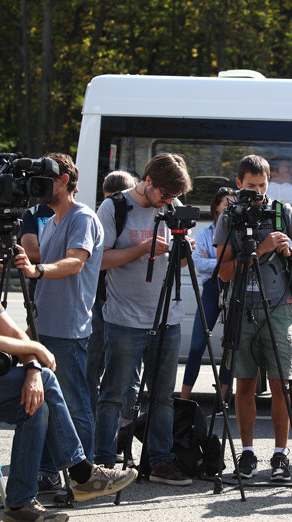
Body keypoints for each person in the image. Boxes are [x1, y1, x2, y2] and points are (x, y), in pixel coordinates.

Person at [0, 225, 136, 522]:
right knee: (48, 381)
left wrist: (31, 368)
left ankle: (19, 505)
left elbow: (14, 333)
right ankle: (82, 474)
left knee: (37, 405)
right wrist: (35, 350)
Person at [94, 153, 194, 486]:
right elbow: (100, 260)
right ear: (148, 181)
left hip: (167, 316)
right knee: (114, 393)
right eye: (164, 194)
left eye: (173, 196)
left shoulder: (171, 207)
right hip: (124, 317)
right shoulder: (114, 208)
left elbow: (173, 265)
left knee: (163, 395)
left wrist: (182, 250)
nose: (169, 201)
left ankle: (161, 461)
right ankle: (104, 462)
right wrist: (142, 249)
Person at [214, 154, 292, 481]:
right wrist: (261, 250)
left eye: (263, 185)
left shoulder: (283, 212)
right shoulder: (229, 217)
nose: (257, 191)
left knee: (281, 384)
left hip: (279, 307)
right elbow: (225, 272)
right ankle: (246, 453)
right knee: (244, 384)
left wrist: (289, 251)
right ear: (238, 183)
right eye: (251, 185)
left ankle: (280, 455)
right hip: (243, 306)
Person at [13, 154, 104, 494]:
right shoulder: (50, 221)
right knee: (49, 405)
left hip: (68, 328)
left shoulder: (83, 217)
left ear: (65, 179)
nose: (37, 185)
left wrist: (37, 270)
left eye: (44, 178)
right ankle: (51, 471)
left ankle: (87, 476)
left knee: (76, 404)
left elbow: (74, 263)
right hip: (44, 327)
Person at [85, 170, 138, 416]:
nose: (113, 207)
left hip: (126, 303)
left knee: (127, 372)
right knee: (92, 365)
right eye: (109, 201)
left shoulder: (137, 215)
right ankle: (91, 424)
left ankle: (123, 434)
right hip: (99, 299)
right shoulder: (101, 216)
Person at [181, 188, 234, 399]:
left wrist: (221, 264)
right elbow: (199, 263)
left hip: (231, 288)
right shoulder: (205, 233)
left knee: (230, 347)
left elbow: (239, 265)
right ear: (216, 208)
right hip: (212, 289)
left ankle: (223, 398)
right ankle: (184, 398)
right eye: (227, 205)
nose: (231, 208)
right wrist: (225, 263)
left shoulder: (236, 233)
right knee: (197, 345)